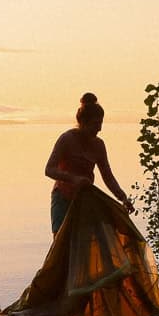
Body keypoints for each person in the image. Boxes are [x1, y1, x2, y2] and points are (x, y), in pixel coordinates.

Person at [44, 92, 135, 234]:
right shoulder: (66, 139)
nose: (99, 128)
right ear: (83, 123)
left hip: (84, 200)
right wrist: (74, 178)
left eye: (101, 123)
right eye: (95, 124)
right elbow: (49, 170)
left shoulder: (99, 145)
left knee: (86, 243)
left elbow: (108, 177)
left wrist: (123, 197)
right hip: (63, 198)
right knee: (61, 242)